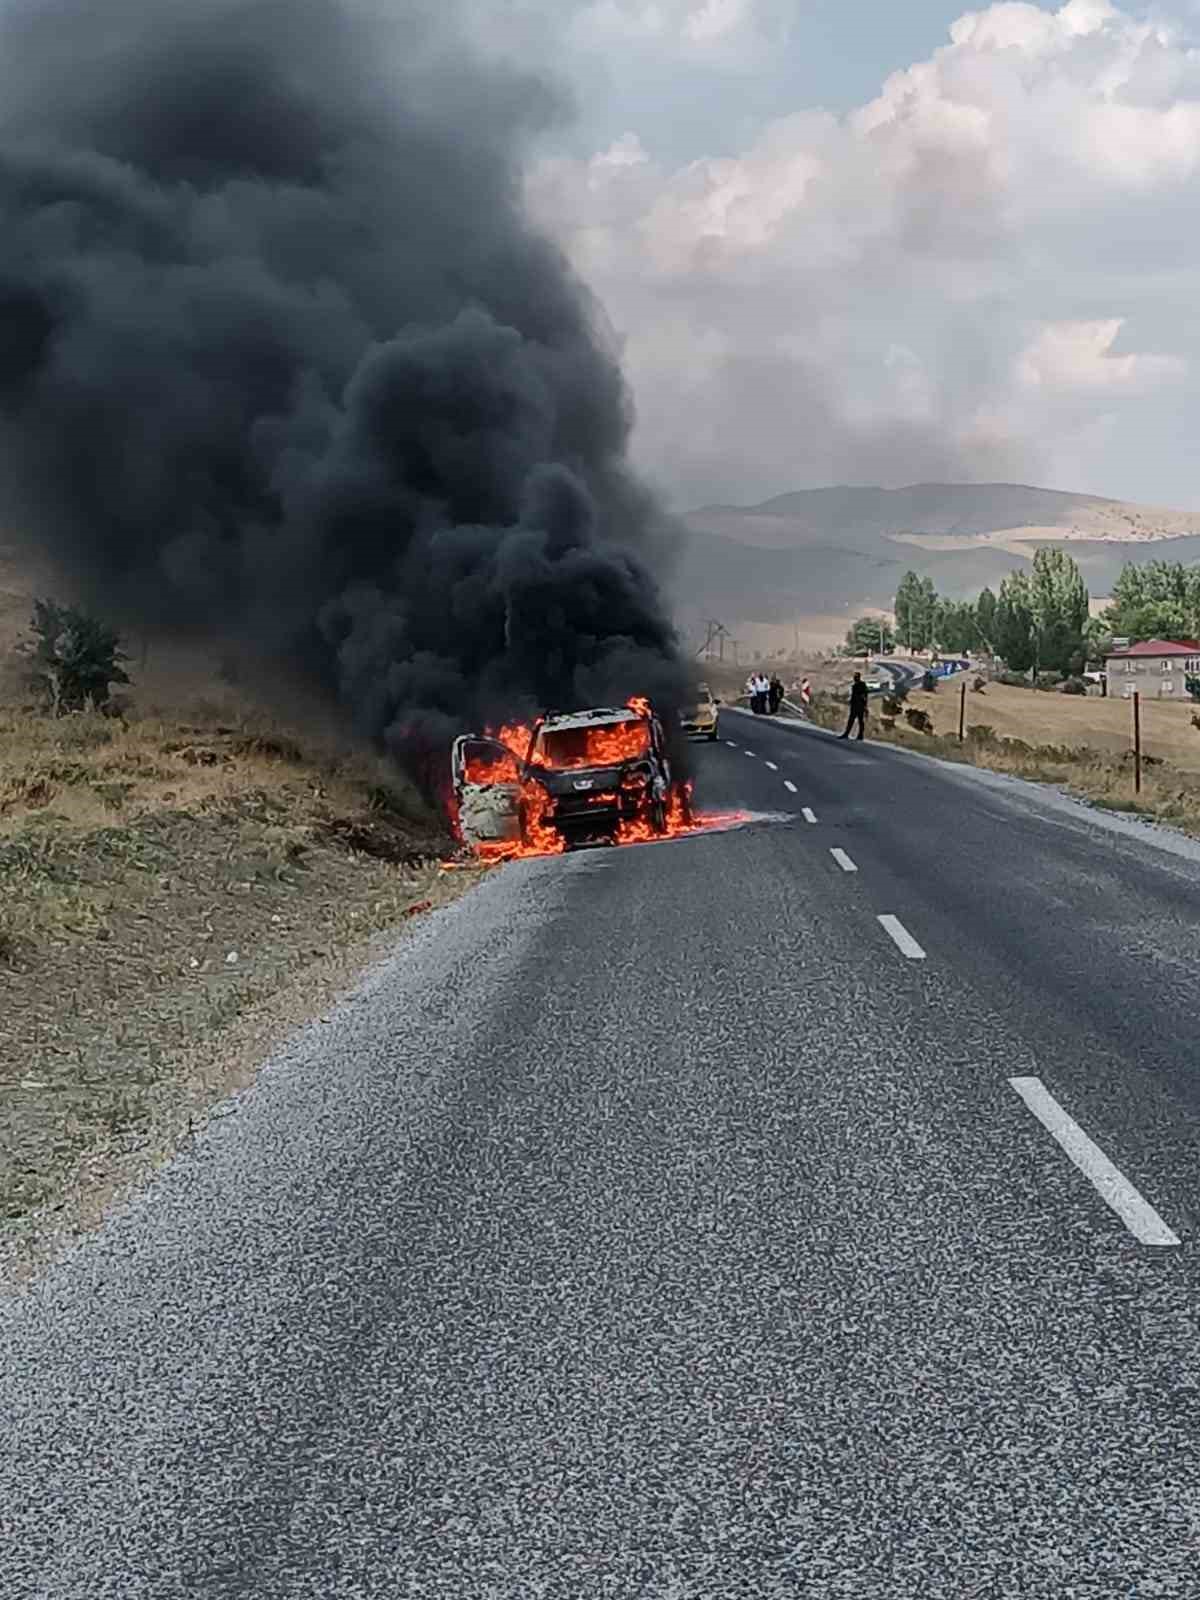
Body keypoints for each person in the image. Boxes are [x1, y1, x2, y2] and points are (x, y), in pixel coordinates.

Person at [840, 672, 868, 740]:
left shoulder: (862, 685)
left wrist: (864, 705)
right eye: (855, 677)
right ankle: (848, 734)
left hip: (859, 706)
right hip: (855, 705)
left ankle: (860, 735)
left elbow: (865, 695)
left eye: (856, 677)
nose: (855, 678)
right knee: (853, 720)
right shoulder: (855, 685)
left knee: (859, 721)